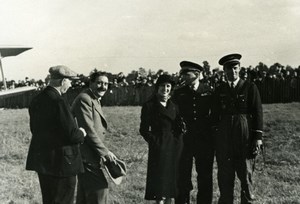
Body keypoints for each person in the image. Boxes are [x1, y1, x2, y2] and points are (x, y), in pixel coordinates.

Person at [26, 65, 87, 204]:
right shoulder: (58, 101)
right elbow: (71, 134)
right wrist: (81, 133)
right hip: (63, 163)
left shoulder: (37, 99)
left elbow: (35, 129)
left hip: (44, 161)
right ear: (62, 81)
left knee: (49, 200)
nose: (71, 85)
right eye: (70, 81)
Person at [212, 54, 263, 204]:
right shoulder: (219, 89)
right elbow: (215, 115)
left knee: (245, 173)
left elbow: (257, 112)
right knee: (225, 175)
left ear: (239, 69)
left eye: (235, 68)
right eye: (229, 69)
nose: (232, 72)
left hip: (244, 135)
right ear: (224, 71)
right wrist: (217, 136)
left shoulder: (250, 87)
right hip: (225, 137)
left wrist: (257, 137)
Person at [71, 71, 117, 204]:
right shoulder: (85, 99)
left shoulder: (94, 98)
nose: (103, 87)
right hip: (85, 155)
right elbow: (89, 130)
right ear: (91, 83)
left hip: (90, 154)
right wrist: (105, 152)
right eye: (99, 83)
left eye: (106, 84)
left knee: (85, 195)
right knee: (100, 190)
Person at [173, 61, 214, 204]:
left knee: (205, 176)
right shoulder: (178, 93)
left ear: (196, 74)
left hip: (204, 141)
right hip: (185, 141)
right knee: (183, 176)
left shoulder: (208, 91)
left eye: (186, 73)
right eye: (182, 73)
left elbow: (214, 115)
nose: (182, 76)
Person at [140, 74, 185, 204]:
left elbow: (178, 126)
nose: (165, 89)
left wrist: (177, 140)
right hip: (159, 148)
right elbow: (143, 130)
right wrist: (155, 141)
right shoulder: (149, 105)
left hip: (174, 148)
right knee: (160, 186)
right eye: (162, 86)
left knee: (171, 185)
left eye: (168, 86)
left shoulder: (174, 105)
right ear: (157, 87)